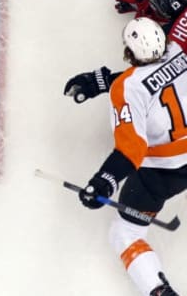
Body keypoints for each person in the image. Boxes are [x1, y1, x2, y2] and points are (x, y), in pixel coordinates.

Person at [65, 17, 184, 296]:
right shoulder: (180, 51)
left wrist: (103, 181)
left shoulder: (126, 88)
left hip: (164, 172)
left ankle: (159, 291)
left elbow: (132, 148)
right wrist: (100, 80)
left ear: (129, 51)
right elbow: (157, 77)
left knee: (125, 234)